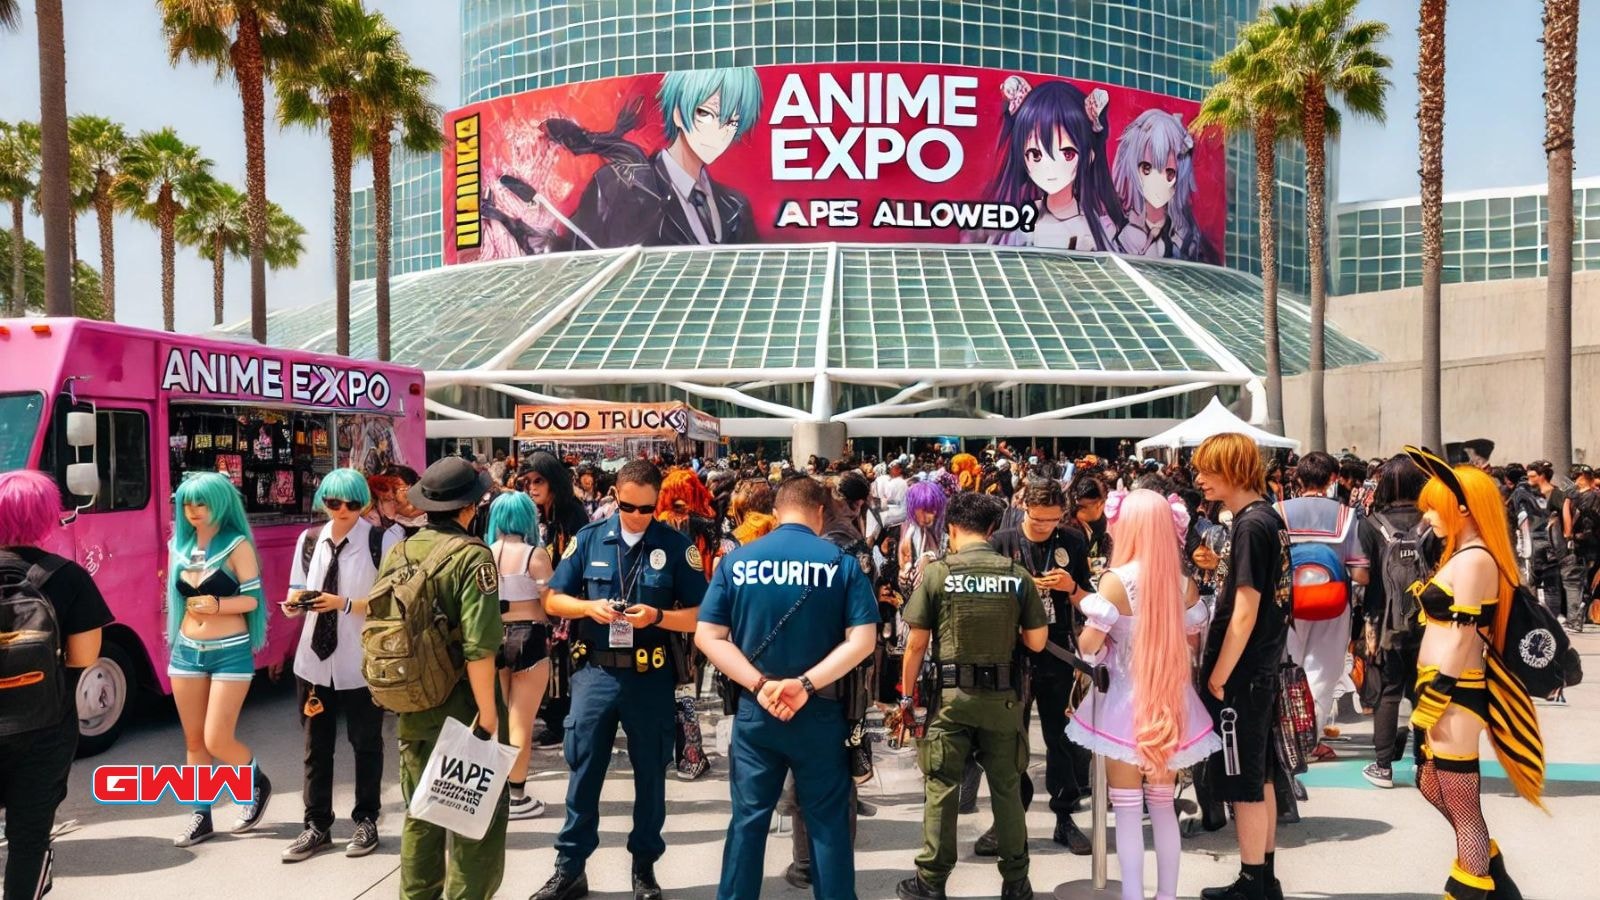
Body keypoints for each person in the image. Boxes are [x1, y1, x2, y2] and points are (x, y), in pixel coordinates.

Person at [696, 475, 879, 899]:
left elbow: (709, 637)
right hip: (819, 711)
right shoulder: (841, 563)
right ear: (820, 513)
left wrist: (760, 685)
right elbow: (863, 640)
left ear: (777, 513)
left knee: (748, 821)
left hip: (756, 710)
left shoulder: (737, 561)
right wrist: (804, 685)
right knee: (828, 823)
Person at [533, 460, 708, 900]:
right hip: (596, 672)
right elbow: (553, 599)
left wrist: (660, 616)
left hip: (650, 675)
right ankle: (570, 868)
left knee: (651, 775)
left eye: (646, 509)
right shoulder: (589, 539)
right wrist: (589, 609)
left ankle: (644, 869)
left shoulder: (675, 546)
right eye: (628, 505)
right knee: (583, 773)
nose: (636, 515)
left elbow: (704, 614)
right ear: (615, 494)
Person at [1403, 447, 1544, 900]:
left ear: (1463, 508)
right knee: (1430, 782)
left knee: (1463, 805)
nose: (1428, 515)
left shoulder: (1476, 558)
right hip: (1440, 685)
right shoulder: (1461, 553)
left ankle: (1470, 889)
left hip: (1456, 690)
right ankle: (1496, 880)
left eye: (1435, 505)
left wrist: (1437, 692)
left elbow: (1464, 637)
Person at [1067, 489, 1221, 900]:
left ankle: (1133, 895)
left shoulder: (1116, 581)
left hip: (1122, 704)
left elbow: (1088, 646)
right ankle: (1167, 896)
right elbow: (1191, 643)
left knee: (1129, 811)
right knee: (1163, 807)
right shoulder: (1184, 583)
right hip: (1172, 704)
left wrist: (1101, 638)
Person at [894, 492, 1049, 900]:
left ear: (952, 529)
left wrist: (906, 700)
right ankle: (1017, 882)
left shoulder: (938, 573)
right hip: (1002, 700)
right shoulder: (1016, 575)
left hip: (951, 700)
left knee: (942, 787)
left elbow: (915, 645)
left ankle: (931, 881)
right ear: (993, 530)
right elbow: (1036, 642)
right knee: (1007, 789)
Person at [379, 457, 509, 900]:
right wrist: (489, 718)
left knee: (422, 813)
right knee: (476, 820)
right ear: (469, 507)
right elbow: (480, 646)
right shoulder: (474, 557)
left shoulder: (399, 551)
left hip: (413, 702)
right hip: (464, 706)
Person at [0, 471, 113, 900]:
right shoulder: (68, 578)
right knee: (28, 839)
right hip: (45, 726)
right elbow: (85, 658)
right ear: (48, 517)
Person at [280, 469, 401, 862]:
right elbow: (297, 589)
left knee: (366, 743)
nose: (344, 510)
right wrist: (293, 604)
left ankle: (367, 819)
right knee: (316, 747)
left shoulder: (384, 539)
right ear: (324, 503)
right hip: (314, 662)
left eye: (352, 503)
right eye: (335, 503)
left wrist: (343, 603)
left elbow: (394, 601)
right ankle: (316, 825)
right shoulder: (310, 540)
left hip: (361, 660)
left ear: (364, 503)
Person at [1193, 433, 1293, 900]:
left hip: (1245, 674)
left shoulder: (1251, 525)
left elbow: (1246, 610)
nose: (1199, 480)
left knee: (1243, 781)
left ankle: (1254, 879)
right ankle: (1262, 874)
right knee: (1261, 773)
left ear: (1231, 469)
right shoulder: (1266, 518)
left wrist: (1218, 674)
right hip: (1262, 668)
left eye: (1207, 471)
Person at [983, 477, 1095, 855]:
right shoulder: (1002, 543)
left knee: (1059, 737)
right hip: (1011, 652)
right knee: (1010, 740)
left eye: (1053, 520)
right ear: (1024, 508)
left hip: (1057, 651)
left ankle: (1065, 816)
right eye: (1039, 519)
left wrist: (1070, 589)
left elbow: (1089, 600)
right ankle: (1010, 819)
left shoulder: (1074, 542)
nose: (1046, 527)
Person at [166, 471, 272, 848]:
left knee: (216, 738)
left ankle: (255, 781)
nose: (194, 511)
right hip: (186, 652)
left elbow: (253, 600)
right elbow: (178, 602)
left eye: (202, 503)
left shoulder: (237, 544)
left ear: (222, 503)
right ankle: (200, 814)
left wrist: (218, 604)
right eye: (187, 504)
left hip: (230, 651)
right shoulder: (178, 544)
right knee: (194, 741)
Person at [1273, 451, 1369, 752]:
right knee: (1323, 674)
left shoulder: (1278, 511)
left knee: (1288, 668)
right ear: (1332, 479)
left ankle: (1284, 737)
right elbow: (1360, 572)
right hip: (1333, 603)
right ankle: (1307, 742)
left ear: (1297, 479)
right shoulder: (1347, 515)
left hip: (1287, 603)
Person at [1356, 455, 1435, 788]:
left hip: (1384, 620)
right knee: (1425, 691)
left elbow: (1361, 575)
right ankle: (1425, 764)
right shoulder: (1433, 522)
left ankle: (1383, 766)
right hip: (1431, 621)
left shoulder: (1371, 524)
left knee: (1388, 692)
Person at [486, 491, 556, 821]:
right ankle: (516, 795)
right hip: (530, 636)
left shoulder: (484, 553)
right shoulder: (535, 555)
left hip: (492, 637)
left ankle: (493, 791)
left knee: (495, 716)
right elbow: (552, 601)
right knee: (521, 720)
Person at [521, 451, 590, 748]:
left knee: (565, 660)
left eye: (539, 481)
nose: (532, 487)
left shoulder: (572, 514)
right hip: (549, 598)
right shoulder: (543, 514)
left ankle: (563, 722)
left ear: (554, 483)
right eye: (528, 482)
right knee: (553, 661)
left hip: (569, 598)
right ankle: (556, 718)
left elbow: (576, 559)